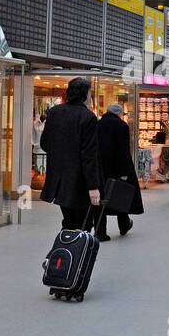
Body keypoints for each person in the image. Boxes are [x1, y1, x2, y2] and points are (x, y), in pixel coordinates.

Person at [38, 76, 101, 229]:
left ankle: (63, 251)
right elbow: (89, 155)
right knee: (82, 225)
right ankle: (73, 252)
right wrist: (93, 187)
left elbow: (44, 144)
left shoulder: (54, 113)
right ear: (85, 94)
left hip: (58, 179)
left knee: (68, 221)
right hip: (79, 181)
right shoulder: (88, 117)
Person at [95, 103, 142, 240]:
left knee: (101, 198)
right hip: (117, 167)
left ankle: (100, 231)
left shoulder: (98, 124)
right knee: (121, 195)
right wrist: (125, 171)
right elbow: (123, 151)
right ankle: (124, 225)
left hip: (101, 168)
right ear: (120, 113)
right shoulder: (122, 126)